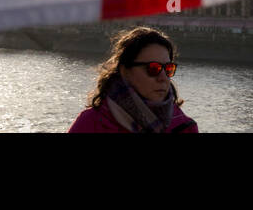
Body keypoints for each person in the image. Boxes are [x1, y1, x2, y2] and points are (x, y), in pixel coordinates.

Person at [68, 25, 198, 133]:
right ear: (125, 71)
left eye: (168, 69)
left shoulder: (185, 127)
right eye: (153, 69)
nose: (163, 78)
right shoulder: (91, 124)